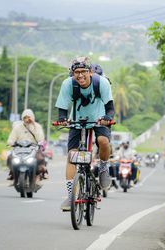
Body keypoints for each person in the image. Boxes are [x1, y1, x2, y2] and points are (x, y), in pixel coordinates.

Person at [55, 56, 115, 211]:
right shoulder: (68, 84)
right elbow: (62, 107)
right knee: (72, 156)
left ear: (90, 72)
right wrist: (62, 119)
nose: (80, 75)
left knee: (103, 141)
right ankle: (70, 196)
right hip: (77, 119)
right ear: (72, 73)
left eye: (83, 71)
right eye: (76, 72)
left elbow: (110, 107)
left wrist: (107, 118)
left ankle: (103, 167)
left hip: (99, 118)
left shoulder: (101, 82)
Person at [7, 109, 48, 182]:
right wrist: (10, 142)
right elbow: (12, 137)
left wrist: (33, 126)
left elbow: (40, 138)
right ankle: (11, 172)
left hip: (33, 148)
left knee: (41, 158)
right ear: (22, 118)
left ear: (32, 117)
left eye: (29, 117)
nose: (27, 119)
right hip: (19, 148)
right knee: (10, 157)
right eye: (25, 117)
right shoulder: (18, 127)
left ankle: (43, 172)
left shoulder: (37, 126)